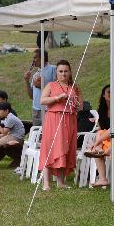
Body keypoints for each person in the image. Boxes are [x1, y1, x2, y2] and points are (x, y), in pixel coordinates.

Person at [37, 60, 82, 190]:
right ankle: (46, 183)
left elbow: (81, 105)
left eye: (66, 71)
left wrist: (77, 105)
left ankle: (61, 182)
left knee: (65, 149)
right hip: (54, 119)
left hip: (70, 119)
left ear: (70, 72)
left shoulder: (75, 87)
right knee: (50, 148)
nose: (63, 74)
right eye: (60, 71)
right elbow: (42, 100)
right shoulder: (50, 85)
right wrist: (57, 98)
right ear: (56, 73)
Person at [23, 49, 56, 127]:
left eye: (35, 57)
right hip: (36, 110)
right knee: (37, 135)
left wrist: (42, 86)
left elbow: (58, 90)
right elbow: (31, 96)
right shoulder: (35, 74)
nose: (33, 60)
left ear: (42, 58)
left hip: (48, 109)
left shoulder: (53, 69)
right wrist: (27, 81)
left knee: (48, 133)